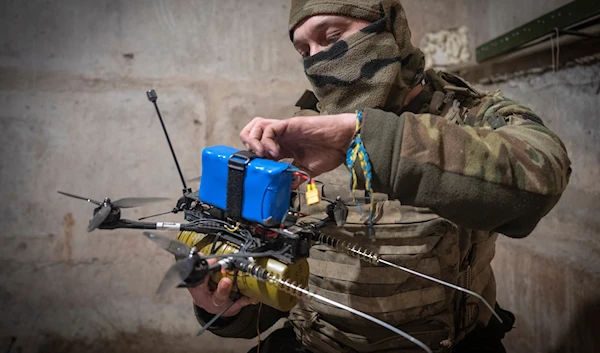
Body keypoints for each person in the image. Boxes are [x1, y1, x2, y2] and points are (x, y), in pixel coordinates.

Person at [188, 0, 572, 352]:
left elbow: (542, 177)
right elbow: (275, 295)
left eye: (333, 37)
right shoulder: (301, 139)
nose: (318, 60)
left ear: (390, 27)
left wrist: (364, 138)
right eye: (304, 51)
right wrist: (225, 305)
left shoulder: (468, 115)